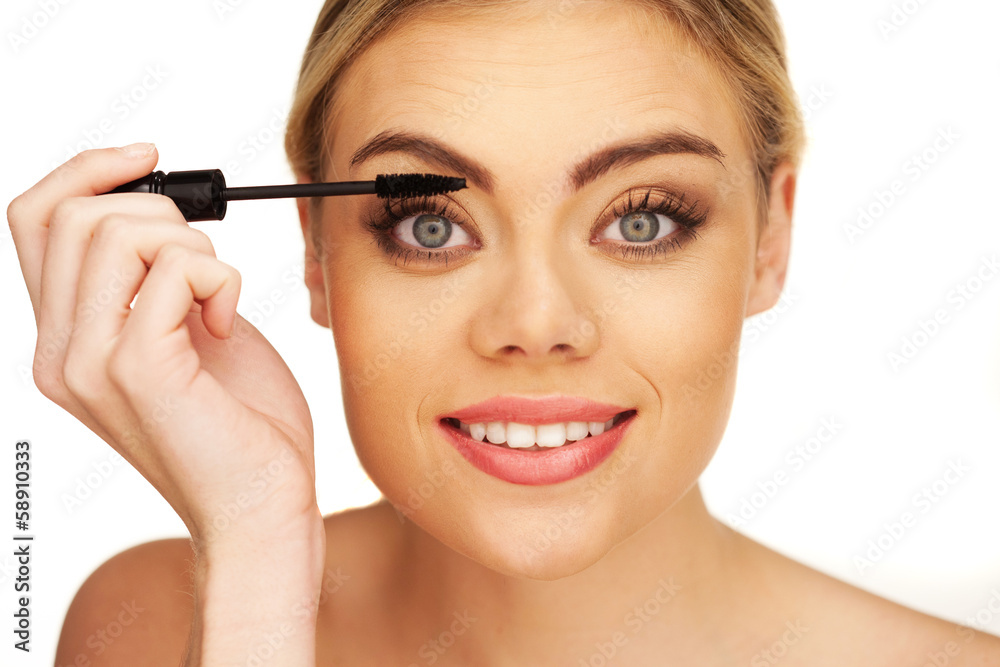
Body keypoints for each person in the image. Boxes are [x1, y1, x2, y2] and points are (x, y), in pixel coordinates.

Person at [7, 0, 999, 664]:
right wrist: (259, 581)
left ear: (768, 239)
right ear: (314, 249)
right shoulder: (152, 623)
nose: (535, 325)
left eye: (642, 218)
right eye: (430, 227)